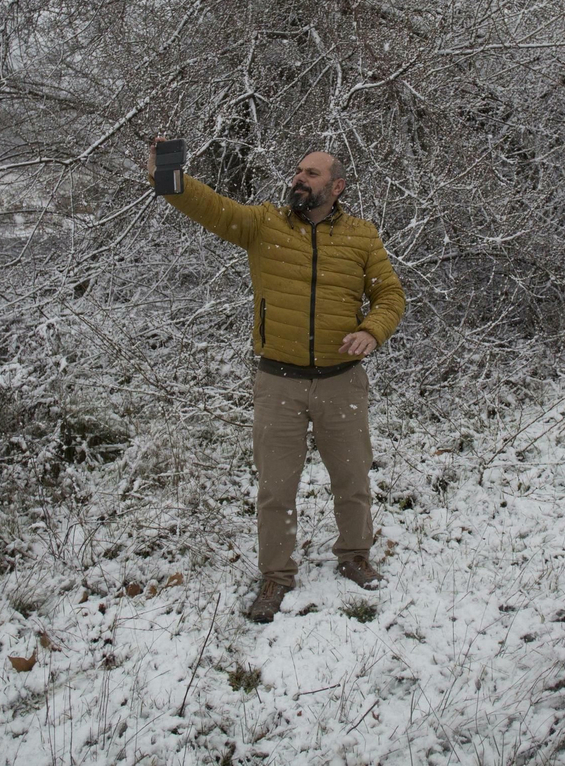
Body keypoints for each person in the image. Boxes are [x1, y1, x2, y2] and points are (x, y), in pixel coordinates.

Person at [146, 141, 406, 623]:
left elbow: (390, 293)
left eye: (311, 173)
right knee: (276, 488)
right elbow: (211, 207)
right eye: (298, 171)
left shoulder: (362, 236)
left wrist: (373, 330)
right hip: (278, 383)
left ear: (337, 186)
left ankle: (354, 555)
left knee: (352, 479)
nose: (299, 179)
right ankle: (276, 575)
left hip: (341, 382)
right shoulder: (265, 225)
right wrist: (169, 178)